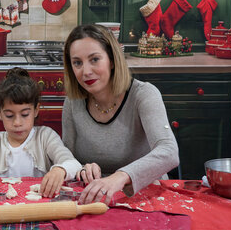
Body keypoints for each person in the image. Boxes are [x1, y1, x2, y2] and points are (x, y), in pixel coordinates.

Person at [62, 24, 179, 205]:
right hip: (93, 198)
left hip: (144, 196)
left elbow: (169, 152)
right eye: (77, 62)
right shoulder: (72, 102)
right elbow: (66, 157)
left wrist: (120, 176)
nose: (85, 71)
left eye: (94, 59)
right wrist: (82, 168)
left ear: (113, 60)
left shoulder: (144, 94)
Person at [0, 67, 82, 198]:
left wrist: (61, 170)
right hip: (1, 206)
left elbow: (74, 164)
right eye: (9, 115)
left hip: (38, 207)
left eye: (25, 114)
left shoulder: (46, 137)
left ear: (36, 110)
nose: (17, 123)